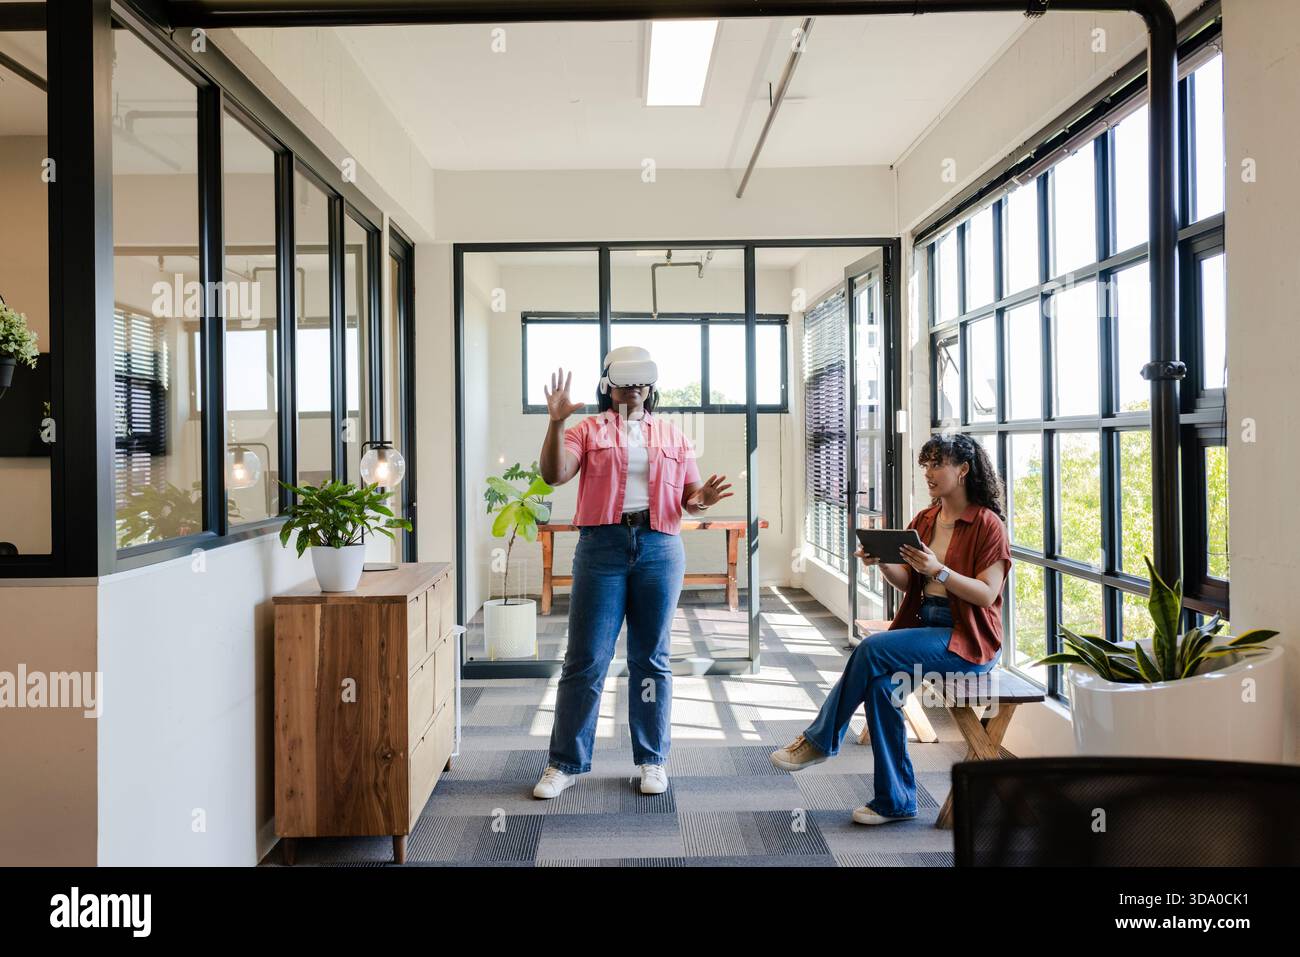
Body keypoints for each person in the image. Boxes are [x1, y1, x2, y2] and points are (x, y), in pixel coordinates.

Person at [770, 432, 1011, 824]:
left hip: (968, 638)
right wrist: (881, 561)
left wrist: (940, 570)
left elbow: (986, 595)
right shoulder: (927, 519)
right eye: (926, 465)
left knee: (872, 648)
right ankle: (896, 801)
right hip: (925, 628)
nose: (929, 473)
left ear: (963, 469)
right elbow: (909, 583)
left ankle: (819, 741)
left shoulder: (988, 525)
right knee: (882, 689)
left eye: (938, 464)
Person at [531, 346, 733, 799]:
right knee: (585, 658)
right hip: (601, 546)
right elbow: (553, 474)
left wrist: (706, 500)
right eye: (626, 382)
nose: (636, 389)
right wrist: (556, 420)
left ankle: (652, 760)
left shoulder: (673, 435)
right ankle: (564, 762)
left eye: (643, 382)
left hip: (660, 547)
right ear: (608, 385)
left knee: (652, 659)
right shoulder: (586, 429)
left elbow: (689, 499)